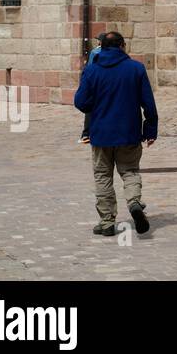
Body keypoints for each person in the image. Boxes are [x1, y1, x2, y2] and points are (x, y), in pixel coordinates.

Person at [73, 31, 158, 236]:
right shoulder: (136, 69)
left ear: (101, 47)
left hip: (101, 133)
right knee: (129, 171)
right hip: (128, 133)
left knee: (103, 176)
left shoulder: (92, 70)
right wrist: (150, 130)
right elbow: (148, 103)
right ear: (123, 45)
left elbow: (81, 102)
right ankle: (134, 202)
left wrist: (98, 101)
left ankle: (107, 221)